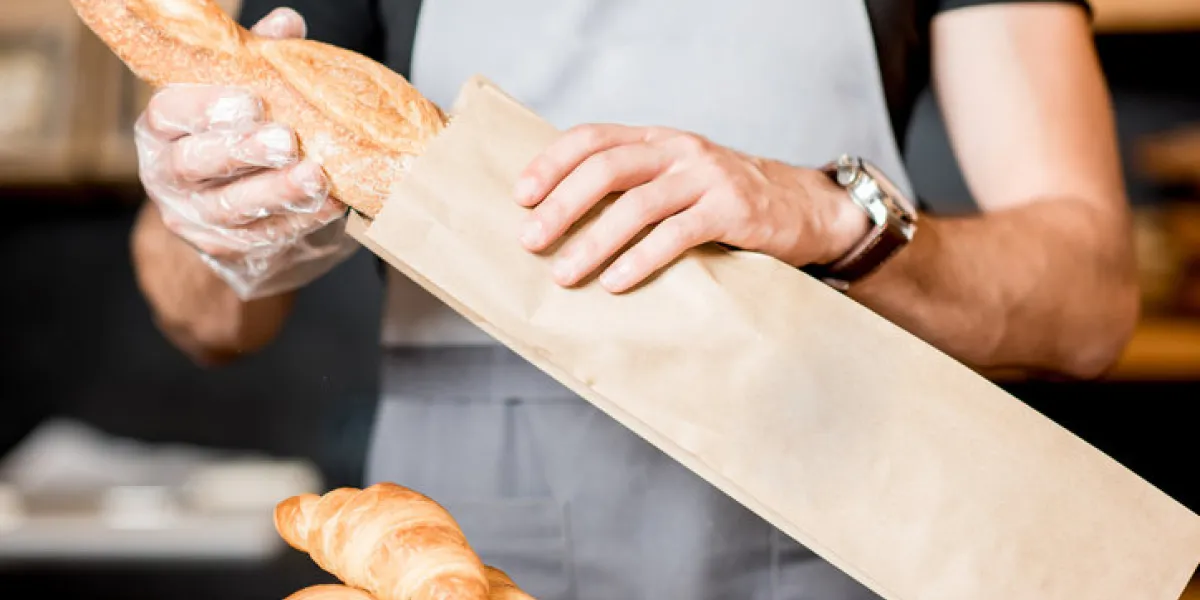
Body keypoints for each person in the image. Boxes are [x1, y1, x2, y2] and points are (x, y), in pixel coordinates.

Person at [129, 0, 1137, 597]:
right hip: (464, 544)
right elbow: (208, 316)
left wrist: (835, 214)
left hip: (854, 529)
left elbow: (1091, 302)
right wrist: (219, 225)